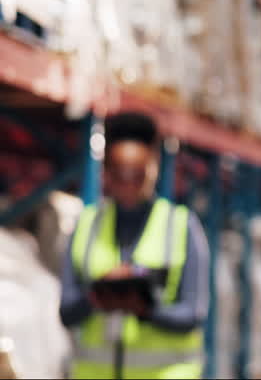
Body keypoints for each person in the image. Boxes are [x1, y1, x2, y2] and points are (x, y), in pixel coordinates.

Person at [60, 112, 208, 379]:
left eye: (137, 175)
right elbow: (66, 311)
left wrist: (145, 308)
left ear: (153, 168)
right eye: (119, 175)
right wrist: (98, 294)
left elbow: (193, 314)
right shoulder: (86, 225)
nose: (128, 185)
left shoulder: (182, 226)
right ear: (106, 172)